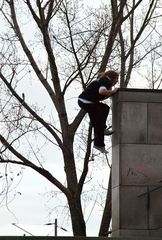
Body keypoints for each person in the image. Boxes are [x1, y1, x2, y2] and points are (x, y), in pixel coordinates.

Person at [78, 70, 119, 153]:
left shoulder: (103, 80)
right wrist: (113, 91)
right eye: (117, 79)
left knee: (105, 108)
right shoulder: (107, 81)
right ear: (113, 78)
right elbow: (102, 91)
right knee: (98, 122)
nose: (117, 81)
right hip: (87, 101)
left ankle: (103, 129)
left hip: (86, 100)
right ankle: (99, 145)